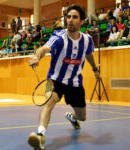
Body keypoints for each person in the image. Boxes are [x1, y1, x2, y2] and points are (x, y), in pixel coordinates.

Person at [27, 5, 101, 150]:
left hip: (75, 83)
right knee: (49, 102)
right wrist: (37, 57)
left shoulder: (87, 40)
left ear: (81, 21)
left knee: (82, 117)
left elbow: (88, 54)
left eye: (74, 17)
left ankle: (72, 117)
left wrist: (94, 69)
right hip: (54, 79)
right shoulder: (59, 37)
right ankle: (40, 136)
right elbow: (44, 48)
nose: (70, 20)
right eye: (68, 17)